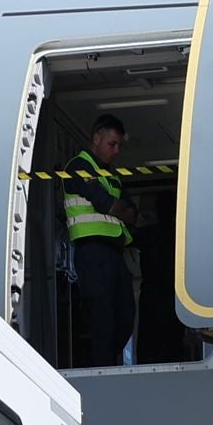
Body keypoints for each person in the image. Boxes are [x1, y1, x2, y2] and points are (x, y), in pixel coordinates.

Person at [62, 112, 138, 369]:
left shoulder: (111, 174)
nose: (116, 151)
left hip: (114, 254)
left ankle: (106, 363)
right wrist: (120, 210)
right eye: (112, 144)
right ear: (96, 138)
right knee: (102, 319)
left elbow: (131, 212)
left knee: (125, 317)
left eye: (119, 146)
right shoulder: (78, 166)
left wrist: (121, 210)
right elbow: (108, 204)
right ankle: (100, 368)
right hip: (92, 252)